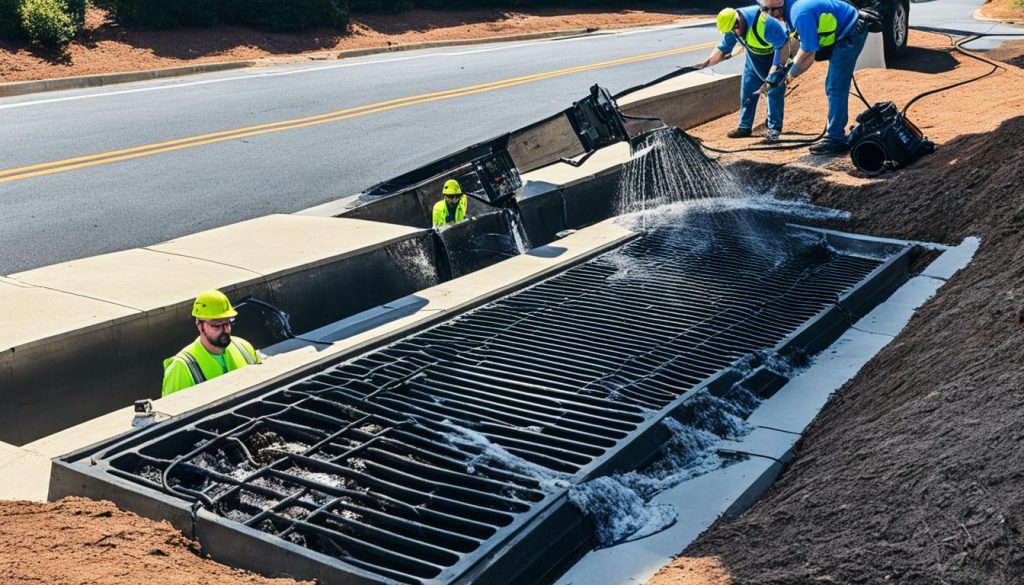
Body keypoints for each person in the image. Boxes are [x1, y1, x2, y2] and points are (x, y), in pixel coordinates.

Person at [772, 0, 871, 155]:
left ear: (780, 5)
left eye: (773, 11)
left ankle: (835, 138)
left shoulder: (800, 13)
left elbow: (808, 53)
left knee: (835, 85)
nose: (771, 15)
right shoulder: (791, 9)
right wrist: (782, 68)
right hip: (842, 30)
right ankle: (834, 131)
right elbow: (800, 42)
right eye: (765, 10)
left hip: (851, 32)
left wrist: (791, 75)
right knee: (832, 85)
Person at [698, 5, 792, 141]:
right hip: (753, 61)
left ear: (738, 20)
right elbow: (723, 49)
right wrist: (705, 64)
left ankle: (774, 128)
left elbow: (782, 46)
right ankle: (744, 127)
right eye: (731, 31)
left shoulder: (765, 23)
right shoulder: (732, 28)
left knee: (774, 90)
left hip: (773, 57)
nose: (734, 32)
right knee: (747, 91)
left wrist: (775, 70)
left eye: (735, 28)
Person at [162, 289, 260, 397]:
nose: (226, 330)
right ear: (200, 326)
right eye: (216, 325)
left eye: (227, 323)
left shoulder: (244, 348)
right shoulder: (181, 367)